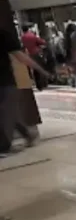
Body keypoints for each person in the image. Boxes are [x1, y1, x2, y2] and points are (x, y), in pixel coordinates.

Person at [1, 24, 47, 155]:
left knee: (5, 113)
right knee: (8, 112)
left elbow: (21, 56)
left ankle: (3, 147)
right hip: (5, 81)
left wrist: (40, 70)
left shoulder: (3, 35)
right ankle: (28, 134)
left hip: (5, 81)